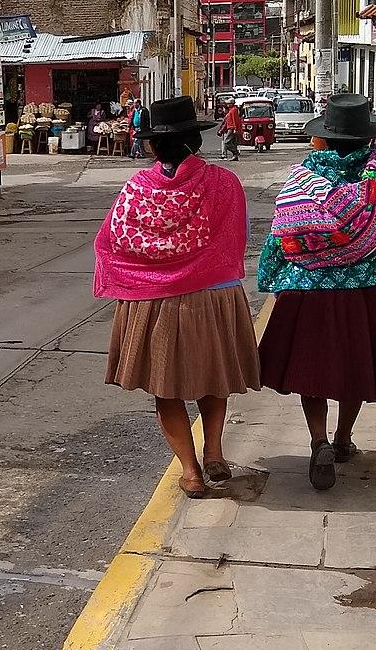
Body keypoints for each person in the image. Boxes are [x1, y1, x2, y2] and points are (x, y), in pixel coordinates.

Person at [255, 91, 376, 491]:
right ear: (367, 139)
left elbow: (280, 237)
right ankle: (342, 440)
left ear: (324, 138)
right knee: (352, 372)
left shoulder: (302, 180)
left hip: (309, 294)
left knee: (314, 374)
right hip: (368, 296)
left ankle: (318, 439)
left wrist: (273, 281)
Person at [96, 96, 259, 498]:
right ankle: (215, 451)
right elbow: (236, 239)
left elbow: (113, 242)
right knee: (213, 377)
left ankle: (190, 471)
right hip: (214, 297)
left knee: (165, 389)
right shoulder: (224, 183)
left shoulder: (136, 190)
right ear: (196, 142)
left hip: (153, 302)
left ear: (153, 146)